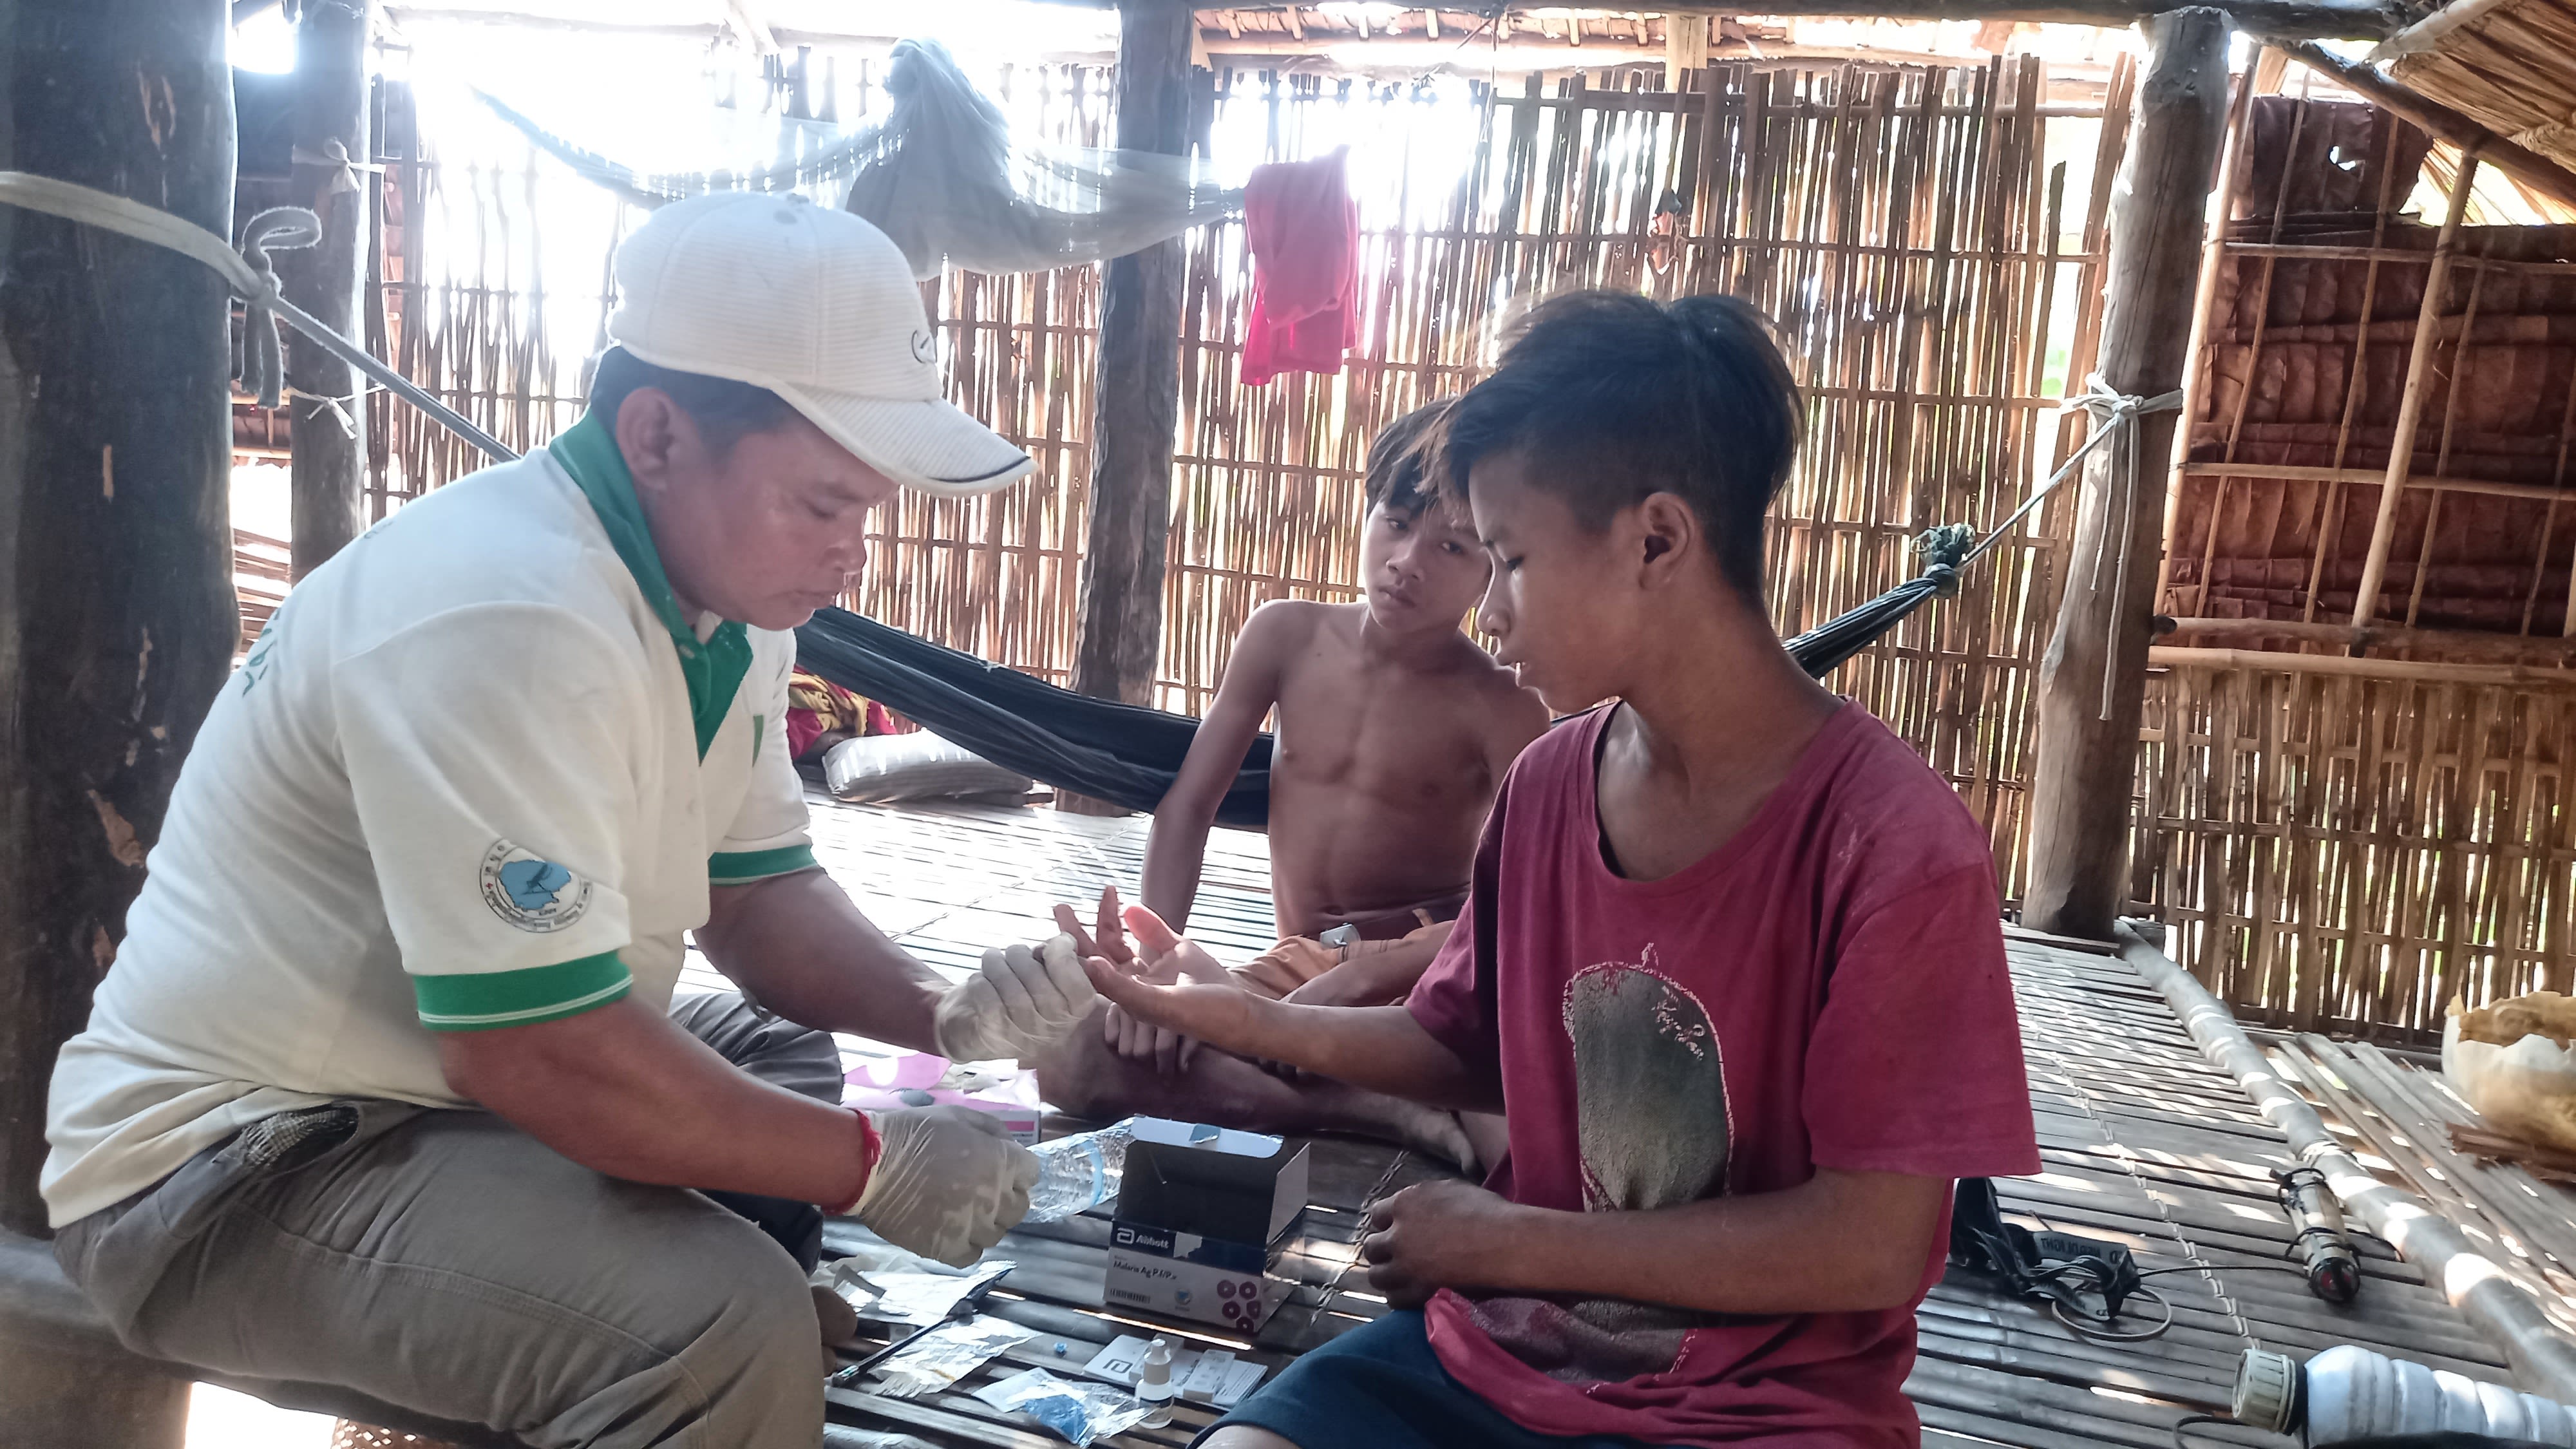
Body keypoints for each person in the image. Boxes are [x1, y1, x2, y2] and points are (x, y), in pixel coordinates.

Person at [41, 194, 1098, 1449]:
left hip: (426, 1079)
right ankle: (695, 1379)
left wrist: (941, 1013)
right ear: (656, 435)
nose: (850, 554)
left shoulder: (721, 605)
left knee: (773, 1055)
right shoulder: (507, 615)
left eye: (864, 511)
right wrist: (875, 1162)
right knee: (718, 1329)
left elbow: (758, 897)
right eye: (823, 506)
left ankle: (644, 1364)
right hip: (240, 1164)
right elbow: (536, 1052)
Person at [1081, 291, 2041, 1449]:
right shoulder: (1547, 786)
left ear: (1656, 542)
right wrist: (1242, 1018)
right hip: (1496, 1354)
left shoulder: (1893, 846)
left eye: (1511, 560)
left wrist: (1512, 1241)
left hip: (1760, 1410)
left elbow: (1872, 1245)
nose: (1487, 610)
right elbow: (1463, 1046)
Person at [1035, 402, 1545, 1171]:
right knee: (1069, 1053)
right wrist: (1154, 964)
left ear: (1490, 571)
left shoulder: (1502, 702)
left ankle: (1335, 1070)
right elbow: (1188, 807)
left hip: (1422, 960)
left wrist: (1370, 975)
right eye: (1396, 523)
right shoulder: (1286, 635)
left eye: (1452, 546)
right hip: (1298, 965)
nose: (1408, 561)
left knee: (1508, 1138)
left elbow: (1524, 900)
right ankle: (1372, 1107)